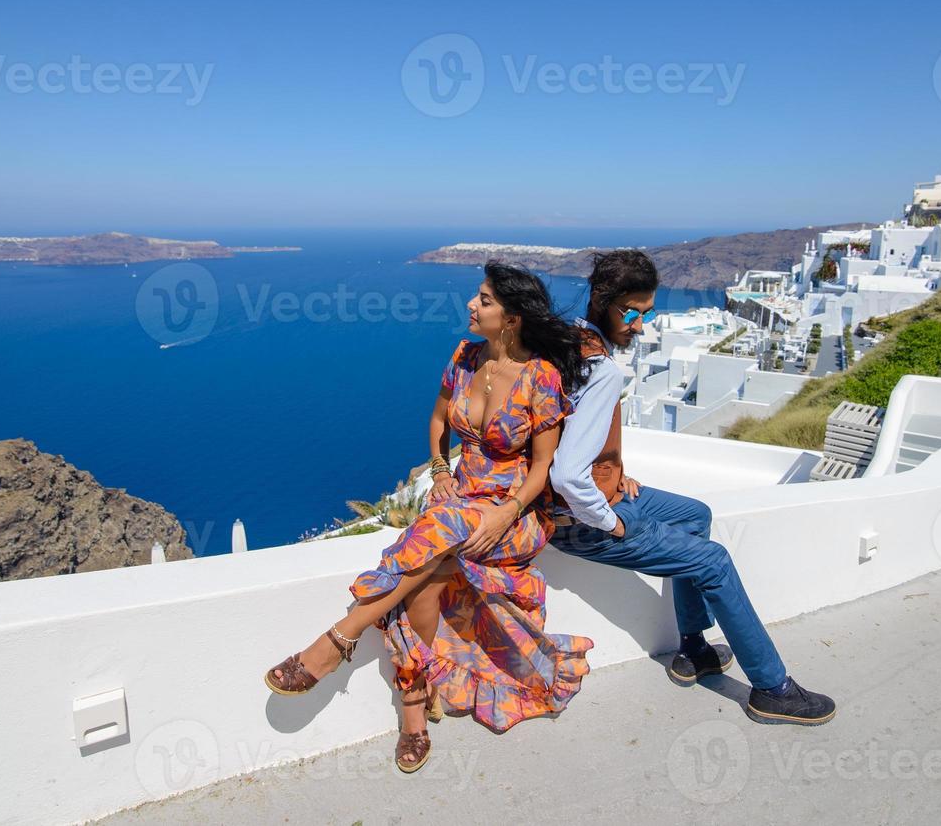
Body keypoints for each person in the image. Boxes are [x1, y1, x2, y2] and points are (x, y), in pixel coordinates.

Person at [265, 263, 594, 773]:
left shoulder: (542, 378)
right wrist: (441, 469)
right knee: (416, 585)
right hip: (458, 501)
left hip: (513, 513)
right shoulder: (464, 357)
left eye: (483, 300)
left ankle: (337, 643)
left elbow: (543, 468)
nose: (471, 305)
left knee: (431, 536)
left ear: (511, 318)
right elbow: (439, 421)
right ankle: (415, 705)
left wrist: (503, 513)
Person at [547, 250, 837, 726]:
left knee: (695, 515)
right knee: (714, 561)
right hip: (581, 520)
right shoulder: (601, 369)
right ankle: (771, 688)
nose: (640, 325)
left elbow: (567, 436)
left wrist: (614, 472)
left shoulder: (568, 342)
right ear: (603, 301)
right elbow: (565, 476)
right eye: (632, 312)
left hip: (595, 496)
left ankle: (694, 648)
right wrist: (610, 520)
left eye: (648, 312)